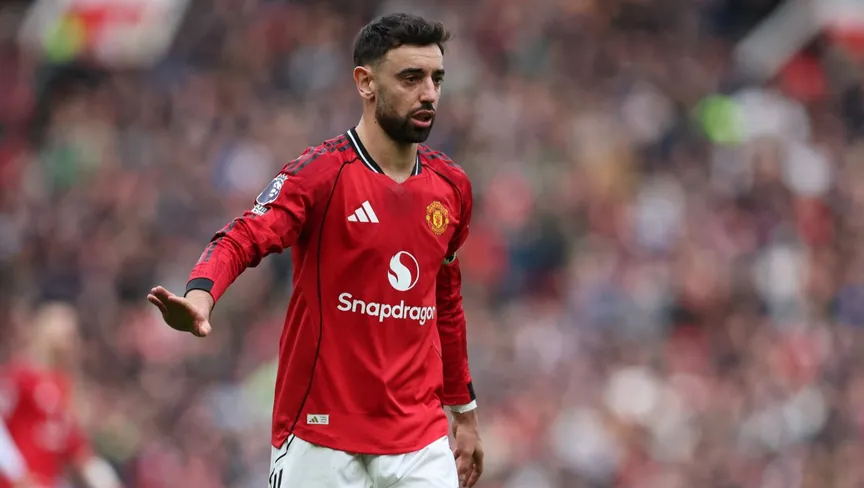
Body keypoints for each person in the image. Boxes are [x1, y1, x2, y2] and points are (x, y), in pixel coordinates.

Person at [147, 12, 484, 488]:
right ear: (365, 83)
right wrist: (201, 295)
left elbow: (446, 303)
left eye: (437, 79)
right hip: (320, 432)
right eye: (411, 78)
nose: (429, 93)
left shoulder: (451, 187)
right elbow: (243, 236)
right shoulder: (321, 174)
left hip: (419, 439)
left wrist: (464, 412)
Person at [0, 302, 123, 488]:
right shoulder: (20, 377)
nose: (72, 344)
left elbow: (80, 453)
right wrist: (19, 475)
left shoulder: (64, 388)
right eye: (67, 337)